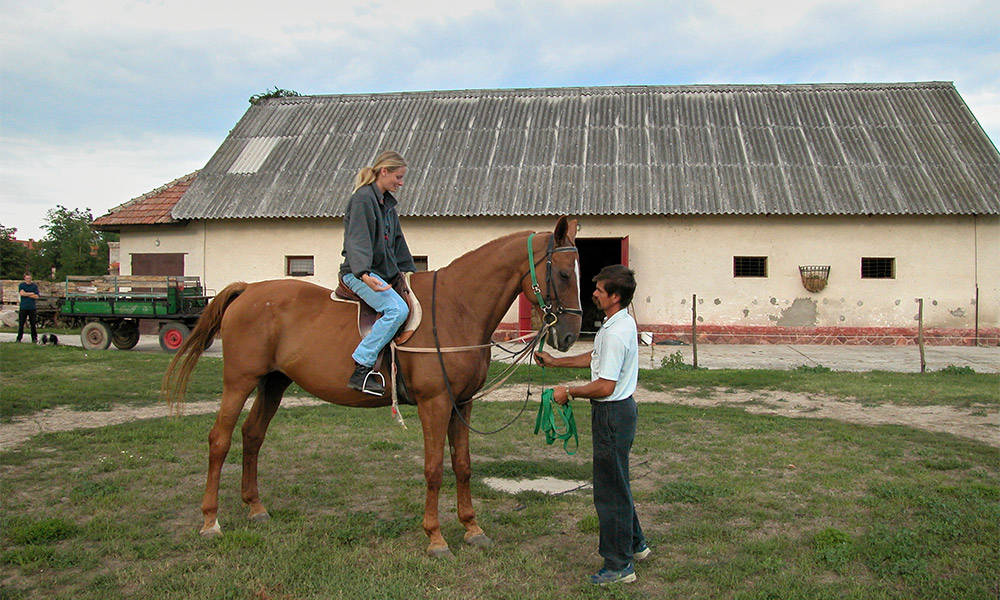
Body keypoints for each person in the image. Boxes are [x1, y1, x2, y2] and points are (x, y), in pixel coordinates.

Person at [535, 264, 649, 586]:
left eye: (599, 290)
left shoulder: (614, 332)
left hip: (611, 414)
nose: (594, 294)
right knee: (618, 482)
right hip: (620, 413)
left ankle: (618, 566)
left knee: (609, 492)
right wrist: (558, 362)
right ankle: (636, 544)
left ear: (614, 296)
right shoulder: (619, 323)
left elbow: (604, 385)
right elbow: (595, 358)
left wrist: (567, 392)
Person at [337, 150, 417, 396]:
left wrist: (410, 273)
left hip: (383, 274)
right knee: (397, 310)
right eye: (398, 177)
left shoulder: (387, 205)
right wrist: (363, 274)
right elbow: (357, 240)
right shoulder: (362, 199)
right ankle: (361, 367)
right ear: (384, 172)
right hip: (360, 274)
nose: (401, 183)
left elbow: (397, 241)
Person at [16, 273, 40, 344]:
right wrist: (31, 293)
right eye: (27, 278)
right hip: (23, 307)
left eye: (29, 278)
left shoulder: (34, 286)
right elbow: (22, 293)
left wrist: (26, 293)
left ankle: (34, 339)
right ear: (24, 278)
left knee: (33, 324)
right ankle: (19, 338)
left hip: (32, 307)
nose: (28, 280)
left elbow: (36, 296)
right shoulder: (22, 285)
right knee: (21, 324)